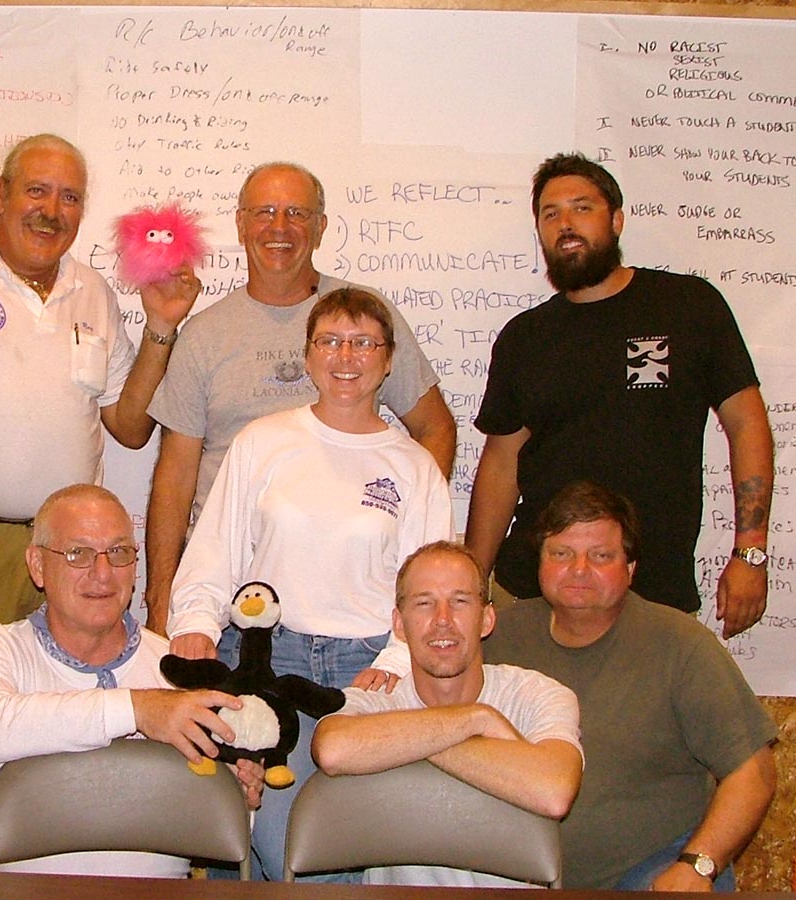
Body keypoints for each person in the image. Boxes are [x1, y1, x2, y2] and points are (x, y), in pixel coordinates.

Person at [0, 133, 201, 869]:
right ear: (1, 193)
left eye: (70, 197)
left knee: (70, 738)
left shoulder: (92, 292)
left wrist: (162, 328)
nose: (52, 210)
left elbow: (128, 425)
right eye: (37, 190)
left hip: (78, 559)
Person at [167, 288, 454, 880]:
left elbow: (431, 591)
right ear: (308, 354)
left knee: (334, 844)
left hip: (364, 670)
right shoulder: (263, 440)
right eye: (330, 341)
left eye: (363, 343)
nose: (345, 357)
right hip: (265, 661)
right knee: (254, 833)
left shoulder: (414, 467)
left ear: (388, 359)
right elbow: (216, 547)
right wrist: (194, 625)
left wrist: (397, 660)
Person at [466, 153, 772, 637]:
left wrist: (750, 551)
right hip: (530, 595)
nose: (566, 224)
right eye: (550, 214)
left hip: (652, 594)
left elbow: (746, 422)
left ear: (616, 220)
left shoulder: (688, 307)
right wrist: (471, 581)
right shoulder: (525, 337)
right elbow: (501, 464)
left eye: (582, 207)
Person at [144, 161, 455, 635]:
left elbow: (435, 427)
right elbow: (175, 475)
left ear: (321, 227)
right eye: (264, 212)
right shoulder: (204, 335)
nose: (279, 227)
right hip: (230, 598)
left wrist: (408, 551)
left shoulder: (362, 321)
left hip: (354, 605)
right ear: (241, 223)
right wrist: (161, 597)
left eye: (297, 213)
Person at [0, 484, 262, 877]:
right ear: (37, 565)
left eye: (118, 553)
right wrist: (139, 709)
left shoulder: (178, 670)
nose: (102, 574)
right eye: (78, 554)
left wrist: (240, 792)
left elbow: (221, 825)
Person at [484, 482, 777, 891]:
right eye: (561, 554)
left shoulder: (681, 644)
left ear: (631, 567)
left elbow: (754, 772)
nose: (579, 569)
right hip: (518, 874)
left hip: (653, 868)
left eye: (600, 556)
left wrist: (698, 865)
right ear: (540, 562)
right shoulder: (496, 635)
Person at [313, 541, 582, 886]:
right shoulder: (379, 697)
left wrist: (409, 744)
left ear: (486, 619)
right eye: (424, 603)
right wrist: (475, 720)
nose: (442, 620)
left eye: (460, 602)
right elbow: (333, 750)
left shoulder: (536, 694)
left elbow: (554, 791)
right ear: (399, 624)